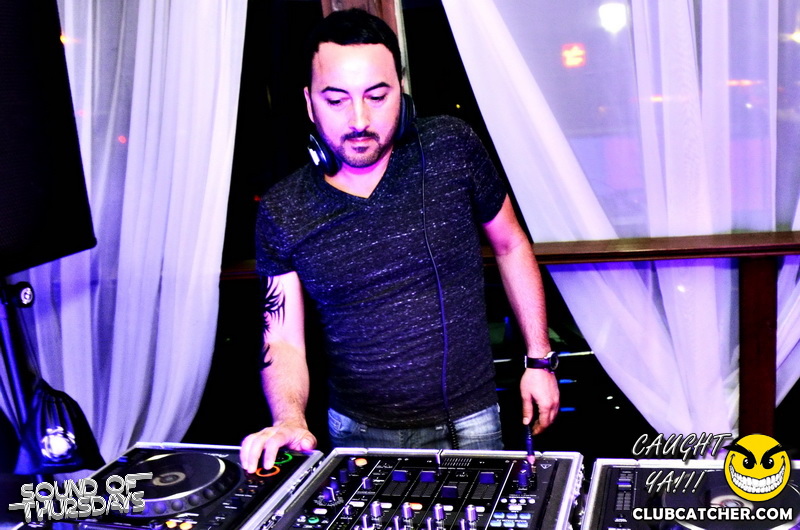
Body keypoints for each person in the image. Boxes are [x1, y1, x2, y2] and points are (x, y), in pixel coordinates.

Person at [240, 8, 558, 474]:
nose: (359, 119)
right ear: (309, 103)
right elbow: (283, 337)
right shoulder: (283, 208)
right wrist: (289, 418)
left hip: (471, 421)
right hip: (357, 433)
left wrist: (539, 361)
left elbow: (510, 245)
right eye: (336, 100)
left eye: (376, 95)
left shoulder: (450, 148)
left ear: (401, 93)